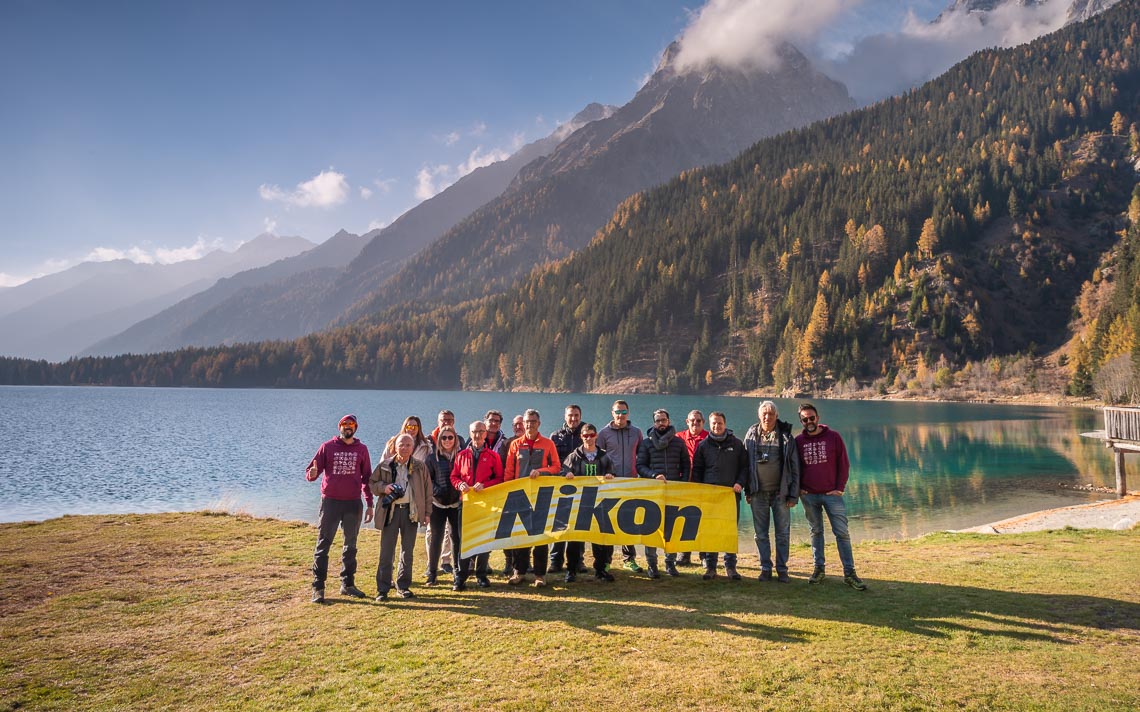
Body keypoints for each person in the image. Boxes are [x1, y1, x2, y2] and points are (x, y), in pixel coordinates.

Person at [795, 403, 866, 591]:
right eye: (805, 419)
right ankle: (819, 569)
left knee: (842, 533)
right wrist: (799, 488)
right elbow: (795, 468)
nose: (809, 422)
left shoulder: (833, 437)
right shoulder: (798, 441)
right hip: (809, 495)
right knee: (816, 531)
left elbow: (844, 464)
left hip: (831, 495)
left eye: (811, 418)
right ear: (801, 421)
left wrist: (840, 488)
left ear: (817, 418)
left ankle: (849, 573)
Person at [305, 414, 374, 603]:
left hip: (353, 503)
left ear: (356, 427)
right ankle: (318, 588)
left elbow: (366, 479)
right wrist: (311, 475)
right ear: (340, 427)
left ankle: (348, 584)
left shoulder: (362, 449)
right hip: (331, 503)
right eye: (345, 424)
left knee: (350, 546)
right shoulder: (327, 447)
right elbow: (311, 471)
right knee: (323, 544)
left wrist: (369, 504)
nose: (348, 427)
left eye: (351, 424)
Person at [370, 433, 432, 600]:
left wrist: (427, 513)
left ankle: (403, 586)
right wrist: (385, 487)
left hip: (410, 513)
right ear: (395, 446)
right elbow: (372, 485)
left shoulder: (419, 466)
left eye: (408, 445)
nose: (404, 448)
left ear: (413, 448)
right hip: (390, 512)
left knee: (407, 551)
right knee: (386, 551)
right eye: (401, 445)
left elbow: (427, 491)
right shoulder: (385, 465)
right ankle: (382, 589)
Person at [503, 408, 561, 587]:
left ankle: (540, 575)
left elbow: (557, 467)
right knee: (520, 536)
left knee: (540, 536)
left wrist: (542, 471)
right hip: (519, 496)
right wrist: (507, 491)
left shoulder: (548, 443)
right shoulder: (515, 444)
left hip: (542, 496)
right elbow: (509, 471)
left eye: (533, 421)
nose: (529, 425)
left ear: (539, 423)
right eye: (527, 422)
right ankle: (519, 571)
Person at [744, 400, 800, 583]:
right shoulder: (751, 435)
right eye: (764, 414)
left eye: (771, 414)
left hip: (780, 494)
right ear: (759, 416)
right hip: (758, 493)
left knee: (782, 533)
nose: (767, 417)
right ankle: (765, 568)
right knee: (760, 534)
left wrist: (793, 494)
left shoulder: (786, 437)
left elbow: (794, 467)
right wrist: (748, 489)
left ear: (777, 416)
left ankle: (782, 569)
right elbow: (745, 464)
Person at [691, 411, 747, 581]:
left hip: (730, 496)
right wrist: (700, 491)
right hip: (710, 497)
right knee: (711, 532)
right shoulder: (703, 446)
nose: (717, 426)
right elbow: (698, 470)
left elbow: (745, 467)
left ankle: (731, 567)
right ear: (710, 425)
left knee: (729, 531)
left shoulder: (736, 444)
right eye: (714, 423)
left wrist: (740, 483)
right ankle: (710, 567)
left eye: (720, 423)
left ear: (725, 424)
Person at [636, 408, 690, 579]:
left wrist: (681, 485)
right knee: (651, 529)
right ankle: (652, 565)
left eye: (664, 420)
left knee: (671, 530)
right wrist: (654, 476)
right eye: (658, 420)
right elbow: (640, 466)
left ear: (669, 421)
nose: (661, 423)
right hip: (653, 491)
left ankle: (670, 563)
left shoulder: (679, 442)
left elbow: (686, 465)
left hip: (673, 492)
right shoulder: (646, 443)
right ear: (654, 423)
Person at [451, 420, 505, 588]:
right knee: (464, 540)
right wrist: (459, 484)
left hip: (485, 504)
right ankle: (461, 576)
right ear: (470, 433)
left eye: (481, 431)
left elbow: (500, 479)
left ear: (485, 433)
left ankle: (481, 575)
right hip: (465, 504)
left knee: (483, 540)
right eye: (474, 431)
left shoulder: (493, 456)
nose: (477, 435)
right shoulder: (461, 455)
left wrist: (485, 485)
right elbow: (454, 476)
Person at [561, 422, 617, 582]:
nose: (589, 438)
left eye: (592, 435)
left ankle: (600, 570)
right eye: (585, 435)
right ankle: (571, 570)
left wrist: (610, 476)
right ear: (581, 437)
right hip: (578, 504)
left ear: (596, 436)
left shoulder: (604, 456)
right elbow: (563, 471)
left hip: (599, 504)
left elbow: (612, 472)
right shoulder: (574, 456)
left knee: (599, 538)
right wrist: (568, 475)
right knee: (573, 539)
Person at [596, 400, 644, 573]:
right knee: (608, 523)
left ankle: (629, 559)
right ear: (612, 413)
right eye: (617, 412)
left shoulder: (636, 433)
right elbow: (597, 458)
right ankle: (606, 560)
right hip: (610, 484)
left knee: (628, 522)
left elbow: (641, 456)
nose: (620, 416)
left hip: (630, 482)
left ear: (628, 413)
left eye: (624, 412)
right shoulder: (603, 433)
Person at [424, 425, 463, 589]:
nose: (447, 441)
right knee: (436, 538)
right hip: (437, 503)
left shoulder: (461, 457)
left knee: (457, 538)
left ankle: (457, 572)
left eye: (450, 437)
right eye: (444, 438)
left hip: (456, 503)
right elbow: (427, 480)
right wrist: (437, 490)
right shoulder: (432, 458)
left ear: (455, 439)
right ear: (439, 440)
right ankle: (432, 572)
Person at [548, 404, 584, 574]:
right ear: (565, 417)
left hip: (582, 487)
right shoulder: (555, 437)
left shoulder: (586, 434)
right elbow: (551, 462)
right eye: (570, 415)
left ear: (580, 416)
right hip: (561, 487)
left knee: (579, 525)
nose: (573, 419)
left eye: (576, 415)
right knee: (559, 524)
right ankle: (555, 560)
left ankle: (578, 561)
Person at [676, 409, 709, 566]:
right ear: (687, 422)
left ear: (703, 423)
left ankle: (704, 555)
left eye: (698, 421)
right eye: (692, 420)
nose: (695, 423)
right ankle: (684, 554)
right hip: (684, 485)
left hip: (703, 486)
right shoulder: (678, 438)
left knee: (703, 521)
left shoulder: (710, 438)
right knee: (684, 520)